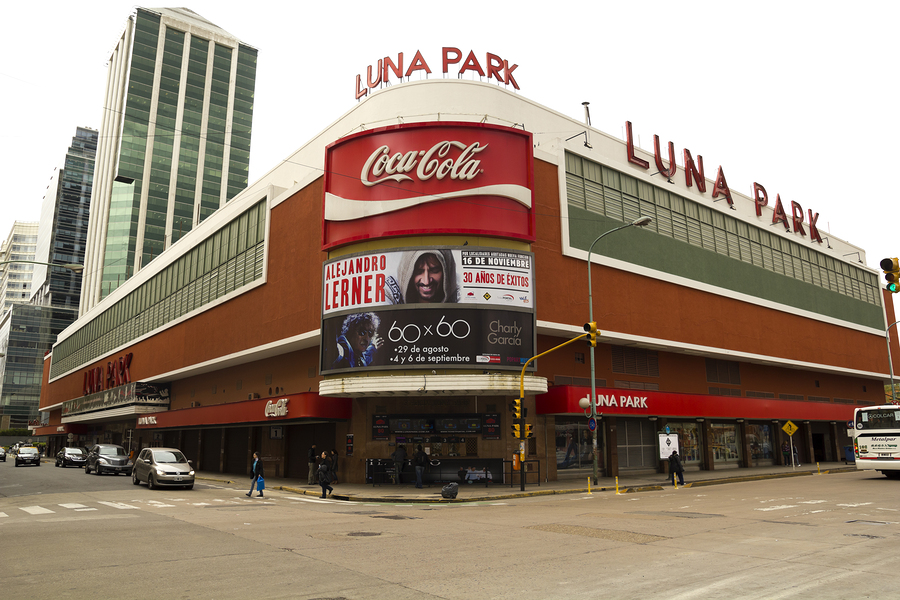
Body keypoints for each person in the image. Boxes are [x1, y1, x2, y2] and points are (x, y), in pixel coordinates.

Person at [386, 250, 459, 304]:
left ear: (445, 271)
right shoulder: (390, 290)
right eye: (419, 272)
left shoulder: (460, 290)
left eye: (434, 270)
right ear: (408, 274)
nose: (426, 281)